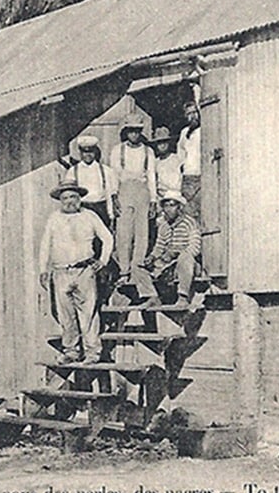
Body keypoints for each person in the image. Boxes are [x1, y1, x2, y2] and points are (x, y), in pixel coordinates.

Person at [38, 179, 114, 364]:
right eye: (65, 198)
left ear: (80, 198)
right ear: (60, 200)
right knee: (65, 315)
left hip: (84, 271)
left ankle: (92, 353)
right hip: (61, 272)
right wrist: (43, 270)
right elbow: (45, 245)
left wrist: (103, 260)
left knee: (88, 313)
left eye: (73, 196)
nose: (69, 201)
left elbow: (107, 238)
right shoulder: (54, 219)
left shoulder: (90, 216)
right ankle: (71, 351)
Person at [132, 191, 201, 307]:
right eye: (165, 206)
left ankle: (183, 298)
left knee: (186, 258)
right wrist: (152, 257)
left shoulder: (190, 223)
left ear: (179, 207)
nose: (168, 209)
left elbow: (195, 247)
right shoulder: (163, 226)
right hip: (167, 265)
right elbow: (159, 247)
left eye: (172, 205)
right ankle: (152, 296)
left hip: (186, 265)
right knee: (137, 267)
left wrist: (176, 254)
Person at [109, 112, 156, 280]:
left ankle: (137, 269)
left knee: (142, 232)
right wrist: (114, 198)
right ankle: (124, 270)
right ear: (126, 131)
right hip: (124, 191)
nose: (134, 134)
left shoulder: (148, 151)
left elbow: (151, 176)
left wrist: (153, 201)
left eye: (137, 130)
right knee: (124, 232)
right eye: (131, 131)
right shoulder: (117, 150)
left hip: (142, 192)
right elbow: (113, 176)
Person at [68, 135, 118, 230]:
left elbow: (109, 193)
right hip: (83, 208)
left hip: (100, 208)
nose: (88, 155)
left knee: (102, 240)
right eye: (85, 152)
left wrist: (111, 215)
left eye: (91, 152)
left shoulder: (105, 170)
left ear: (95, 152)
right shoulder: (73, 171)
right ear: (80, 153)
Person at [177, 101, 201, 220]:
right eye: (189, 114)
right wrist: (183, 165)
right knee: (188, 213)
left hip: (201, 175)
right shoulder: (184, 133)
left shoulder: (203, 131)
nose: (193, 116)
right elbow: (180, 152)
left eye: (194, 112)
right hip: (188, 177)